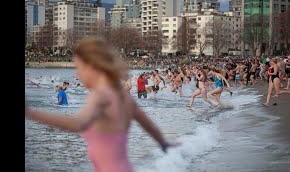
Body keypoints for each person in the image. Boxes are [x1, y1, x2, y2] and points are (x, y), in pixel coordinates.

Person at [25, 39, 177, 172]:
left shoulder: (100, 95)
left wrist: (31, 113)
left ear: (92, 67)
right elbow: (150, 126)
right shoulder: (122, 95)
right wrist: (164, 144)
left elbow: (78, 124)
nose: (77, 74)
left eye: (79, 67)